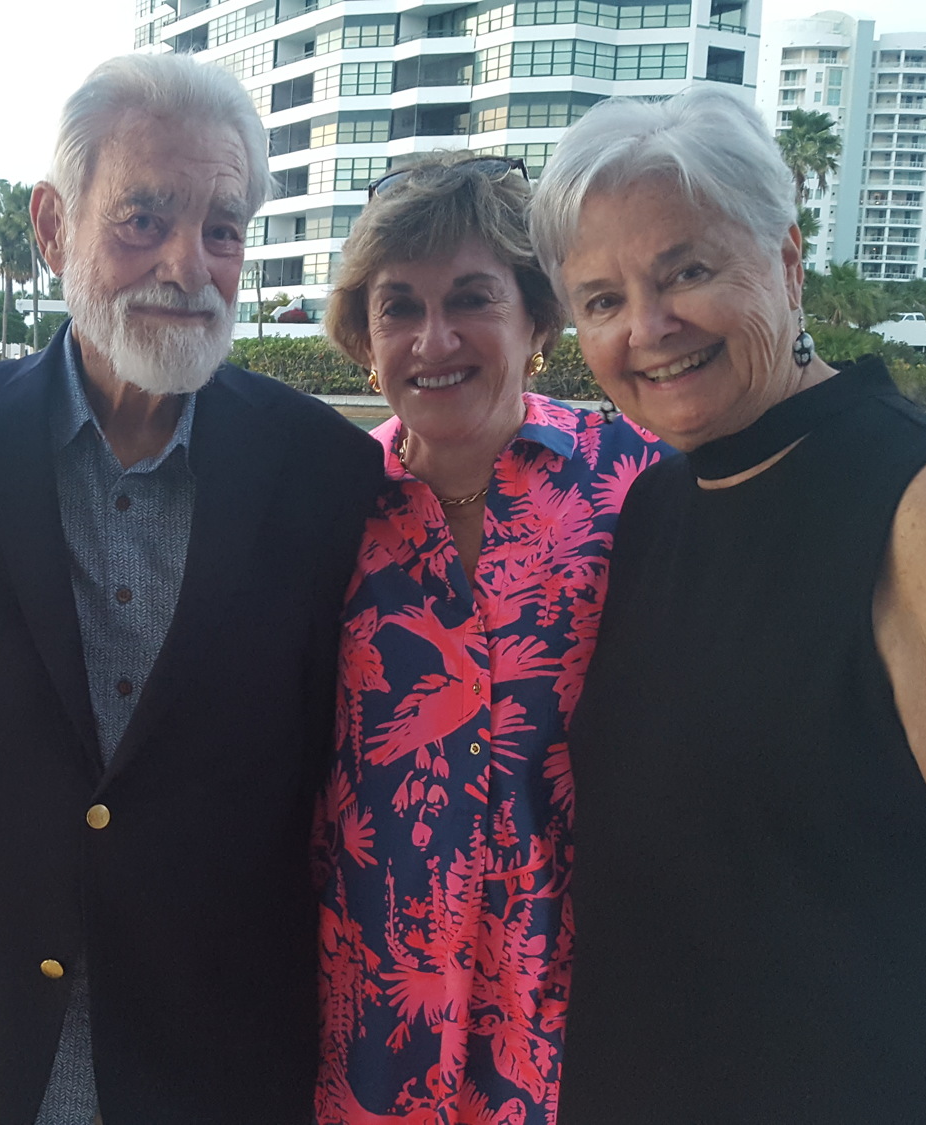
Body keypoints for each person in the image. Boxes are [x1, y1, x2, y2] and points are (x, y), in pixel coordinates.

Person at [0, 52, 384, 1124]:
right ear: (50, 228)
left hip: (217, 1040)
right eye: (142, 218)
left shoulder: (325, 475)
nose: (187, 263)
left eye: (221, 226)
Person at [529, 87, 926, 1122]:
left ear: (787, 262)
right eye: (602, 299)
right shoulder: (658, 504)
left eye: (688, 272)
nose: (648, 328)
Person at [311, 153, 668, 1125]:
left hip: (577, 1003)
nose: (432, 340)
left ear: (536, 319)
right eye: (398, 308)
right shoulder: (318, 502)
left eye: (469, 299)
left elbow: (797, 525)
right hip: (369, 1007)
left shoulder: (638, 482)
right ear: (363, 336)